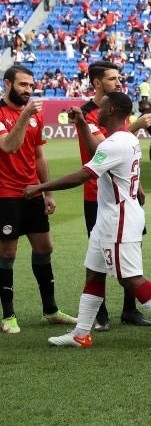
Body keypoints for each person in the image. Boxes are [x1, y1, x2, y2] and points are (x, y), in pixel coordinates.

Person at [30, 93, 151, 350]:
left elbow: (83, 175)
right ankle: (81, 333)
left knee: (130, 278)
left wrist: (40, 187)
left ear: (111, 109)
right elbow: (97, 152)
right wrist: (83, 124)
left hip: (119, 219)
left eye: (102, 106)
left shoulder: (115, 144)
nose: (98, 110)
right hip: (109, 218)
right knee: (94, 273)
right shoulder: (125, 139)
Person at [75, 61, 151, 329]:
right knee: (98, 257)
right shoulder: (89, 113)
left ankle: (130, 309)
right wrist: (137, 125)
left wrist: (136, 183)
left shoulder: (118, 107)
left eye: (119, 78)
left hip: (124, 195)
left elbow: (125, 153)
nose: (118, 82)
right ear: (97, 83)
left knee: (132, 251)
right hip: (97, 195)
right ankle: (100, 314)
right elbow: (103, 147)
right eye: (112, 79)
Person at [0, 65, 75, 334]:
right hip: (5, 194)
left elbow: (39, 155)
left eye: (31, 85)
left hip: (32, 191)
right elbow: (9, 146)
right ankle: (8, 316)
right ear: (7, 84)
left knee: (44, 248)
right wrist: (25, 116)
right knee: (7, 253)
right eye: (23, 84)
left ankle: (50, 310)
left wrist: (48, 192)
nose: (28, 90)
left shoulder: (35, 116)